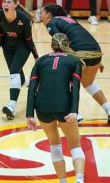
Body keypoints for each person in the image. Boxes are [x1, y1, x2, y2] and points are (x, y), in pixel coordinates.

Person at [40, 4, 110, 123]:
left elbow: (61, 42)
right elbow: (82, 36)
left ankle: (76, 114)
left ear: (48, 14)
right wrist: (97, 61)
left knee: (64, 82)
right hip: (95, 51)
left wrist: (70, 59)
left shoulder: (51, 24)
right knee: (88, 83)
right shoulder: (69, 19)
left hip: (80, 53)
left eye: (42, 13)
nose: (40, 16)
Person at [26, 32, 85, 183]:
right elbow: (75, 87)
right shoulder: (74, 61)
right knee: (75, 145)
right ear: (68, 45)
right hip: (64, 106)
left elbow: (32, 87)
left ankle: (63, 181)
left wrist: (29, 115)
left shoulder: (40, 61)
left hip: (42, 108)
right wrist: (74, 111)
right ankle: (79, 179)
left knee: (54, 144)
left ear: (52, 46)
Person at [0, 0, 38, 119]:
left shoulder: (24, 18)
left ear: (16, 4)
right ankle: (33, 84)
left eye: (8, 2)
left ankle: (12, 106)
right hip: (7, 48)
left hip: (23, 47)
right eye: (4, 2)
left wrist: (36, 56)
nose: (5, 4)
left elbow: (29, 39)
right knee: (19, 78)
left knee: (14, 71)